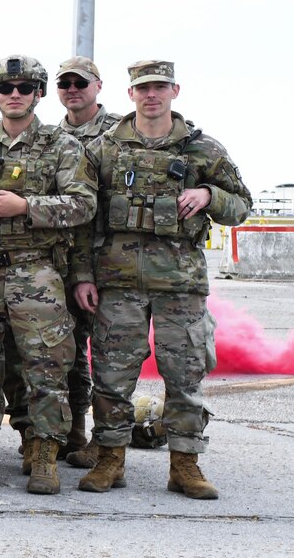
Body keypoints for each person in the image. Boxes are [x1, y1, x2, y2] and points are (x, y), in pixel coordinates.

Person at [75, 60, 252, 498]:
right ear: (130, 93)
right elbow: (82, 217)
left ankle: (185, 465)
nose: (151, 95)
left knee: (184, 374)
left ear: (175, 90)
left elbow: (241, 205)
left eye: (159, 87)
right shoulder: (105, 148)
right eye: (143, 88)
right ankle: (109, 460)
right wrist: (82, 274)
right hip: (117, 280)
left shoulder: (202, 149)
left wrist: (209, 193)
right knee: (112, 376)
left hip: (180, 284)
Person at [0, 56, 96, 493]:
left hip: (36, 275)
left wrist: (25, 206)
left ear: (38, 94)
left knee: (46, 366)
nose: (14, 94)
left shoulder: (61, 146)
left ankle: (45, 456)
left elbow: (84, 205)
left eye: (24, 88)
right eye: (5, 87)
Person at [53, 57, 117, 468]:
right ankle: (73, 428)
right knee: (69, 351)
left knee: (111, 355)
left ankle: (105, 440)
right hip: (65, 257)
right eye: (65, 83)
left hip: (110, 258)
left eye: (80, 82)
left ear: (97, 85)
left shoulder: (120, 133)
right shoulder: (51, 136)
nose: (73, 88)